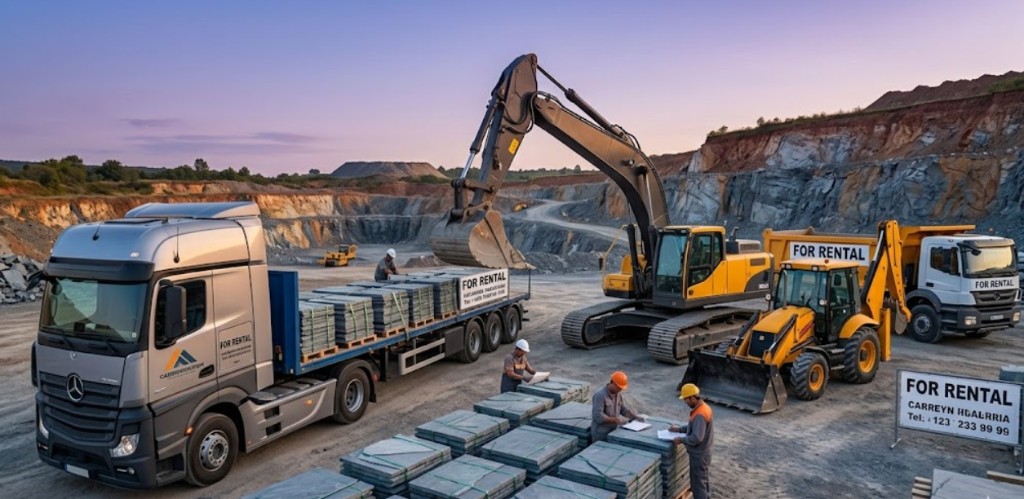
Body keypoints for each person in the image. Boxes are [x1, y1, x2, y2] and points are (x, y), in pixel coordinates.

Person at [670, 383, 714, 499]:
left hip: (699, 455)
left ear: (693, 397)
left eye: (686, 399)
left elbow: (697, 437)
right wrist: (679, 429)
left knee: (698, 486)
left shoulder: (700, 414)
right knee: (703, 482)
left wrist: (681, 440)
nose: (685, 402)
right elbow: (694, 427)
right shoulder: (702, 408)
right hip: (703, 453)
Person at [590, 371, 643, 442]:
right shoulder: (600, 395)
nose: (620, 390)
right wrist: (615, 420)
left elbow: (622, 409)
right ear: (612, 383)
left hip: (613, 431)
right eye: (619, 388)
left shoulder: (618, 394)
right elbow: (598, 416)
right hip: (600, 434)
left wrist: (634, 416)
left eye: (621, 388)